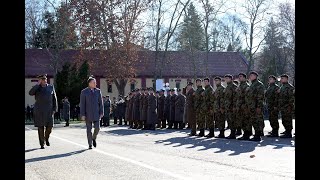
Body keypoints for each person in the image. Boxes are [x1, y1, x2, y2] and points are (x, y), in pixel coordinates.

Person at [29, 74, 58, 149]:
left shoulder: (51, 87)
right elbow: (30, 93)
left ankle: (46, 138)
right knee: (40, 127)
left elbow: (54, 99)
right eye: (42, 79)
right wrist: (37, 85)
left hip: (49, 111)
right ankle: (42, 143)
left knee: (50, 127)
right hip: (39, 110)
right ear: (39, 80)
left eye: (45, 79)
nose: (44, 80)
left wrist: (55, 109)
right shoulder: (37, 88)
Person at [80, 76, 104, 149]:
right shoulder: (84, 92)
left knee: (97, 128)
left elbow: (101, 102)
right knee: (88, 130)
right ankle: (90, 144)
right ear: (89, 83)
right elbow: (82, 104)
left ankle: (94, 138)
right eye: (94, 82)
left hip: (96, 113)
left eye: (95, 82)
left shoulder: (98, 91)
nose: (95, 84)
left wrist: (101, 112)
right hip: (88, 114)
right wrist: (83, 114)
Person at [246, 71, 265, 141]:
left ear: (255, 76)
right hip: (251, 106)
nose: (250, 77)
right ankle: (256, 135)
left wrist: (259, 107)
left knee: (257, 121)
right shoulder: (252, 85)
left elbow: (260, 97)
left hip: (256, 106)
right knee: (254, 121)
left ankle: (257, 136)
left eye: (252, 76)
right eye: (250, 76)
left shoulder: (259, 85)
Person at [278, 74, 295, 138]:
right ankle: (286, 130)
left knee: (288, 120)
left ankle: (289, 133)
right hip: (283, 106)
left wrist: (290, 106)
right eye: (281, 78)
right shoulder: (282, 86)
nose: (281, 80)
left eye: (283, 78)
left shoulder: (289, 87)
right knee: (284, 120)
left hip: (287, 106)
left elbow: (291, 98)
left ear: (286, 79)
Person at [235, 73, 249, 137]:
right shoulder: (240, 86)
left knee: (245, 121)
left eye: (241, 76)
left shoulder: (246, 86)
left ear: (245, 78)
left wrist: (245, 106)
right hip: (239, 106)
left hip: (244, 106)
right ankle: (244, 133)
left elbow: (246, 97)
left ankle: (246, 134)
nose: (239, 78)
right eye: (239, 77)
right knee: (241, 120)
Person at [223, 74, 238, 139]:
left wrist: (234, 106)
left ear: (231, 79)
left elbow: (235, 97)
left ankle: (233, 134)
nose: (226, 80)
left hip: (232, 106)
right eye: (225, 78)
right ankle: (231, 133)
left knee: (232, 120)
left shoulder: (233, 86)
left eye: (227, 78)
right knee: (229, 120)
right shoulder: (228, 87)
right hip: (227, 106)